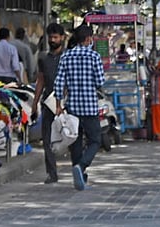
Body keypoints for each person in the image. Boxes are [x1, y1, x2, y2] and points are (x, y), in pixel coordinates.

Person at [54, 24, 105, 191]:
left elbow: (59, 83)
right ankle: (81, 167)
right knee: (95, 140)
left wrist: (58, 105)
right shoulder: (94, 56)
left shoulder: (66, 56)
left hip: (73, 108)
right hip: (89, 107)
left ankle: (80, 178)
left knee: (75, 142)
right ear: (88, 39)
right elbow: (100, 82)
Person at [31, 23, 65, 185]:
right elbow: (41, 81)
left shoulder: (68, 57)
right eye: (51, 37)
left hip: (66, 104)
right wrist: (35, 103)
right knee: (47, 138)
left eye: (56, 37)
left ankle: (79, 168)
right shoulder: (43, 58)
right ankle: (52, 173)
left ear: (62, 38)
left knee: (72, 136)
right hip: (48, 103)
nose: (53, 40)